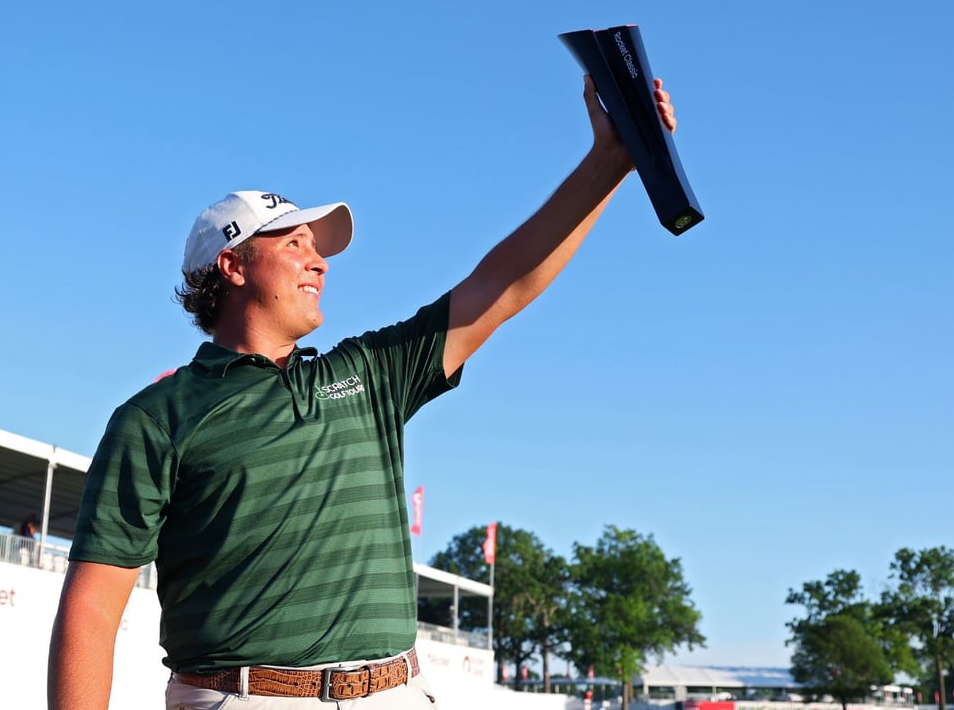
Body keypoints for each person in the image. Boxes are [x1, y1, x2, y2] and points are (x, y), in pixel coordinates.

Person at [47, 75, 678, 710]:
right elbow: (93, 611)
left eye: (317, 248)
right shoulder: (155, 420)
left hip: (395, 692)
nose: (318, 261)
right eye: (294, 243)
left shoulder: (369, 372)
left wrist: (610, 161)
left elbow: (503, 284)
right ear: (233, 267)